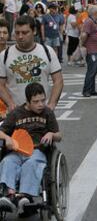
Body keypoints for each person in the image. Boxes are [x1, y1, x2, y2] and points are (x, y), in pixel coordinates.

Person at [0, 82, 62, 215]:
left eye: (43, 100)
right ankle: (10, 195)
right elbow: (1, 131)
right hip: (17, 150)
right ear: (27, 101)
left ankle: (23, 196)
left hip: (37, 149)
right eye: (36, 101)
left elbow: (59, 136)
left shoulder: (47, 113)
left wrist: (51, 133)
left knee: (31, 163)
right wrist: (7, 138)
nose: (41, 104)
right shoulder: (16, 113)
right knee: (7, 162)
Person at [0, 16, 63, 111]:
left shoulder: (47, 51)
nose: (20, 36)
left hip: (42, 112)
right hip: (17, 114)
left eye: (25, 33)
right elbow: (1, 84)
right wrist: (10, 103)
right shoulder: (4, 55)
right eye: (17, 33)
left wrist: (52, 104)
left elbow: (58, 80)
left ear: (34, 31)